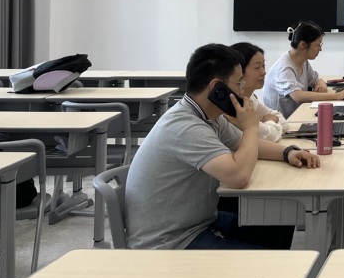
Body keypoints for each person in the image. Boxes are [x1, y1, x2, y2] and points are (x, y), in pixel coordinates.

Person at [124, 43, 321, 250]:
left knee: (279, 220)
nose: (242, 89)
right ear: (217, 88)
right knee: (269, 256)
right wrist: (251, 127)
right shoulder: (185, 126)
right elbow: (238, 177)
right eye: (239, 83)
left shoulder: (209, 116)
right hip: (172, 241)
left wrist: (288, 152)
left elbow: (243, 143)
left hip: (200, 222)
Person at [261, 20, 344, 119]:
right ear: (303, 44)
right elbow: (298, 96)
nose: (320, 49)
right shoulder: (284, 68)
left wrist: (321, 86)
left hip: (297, 115)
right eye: (318, 44)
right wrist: (337, 95)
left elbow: (317, 80)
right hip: (282, 123)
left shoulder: (303, 61)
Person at [230, 42, 284, 142]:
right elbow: (269, 137)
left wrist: (269, 124)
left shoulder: (250, 98)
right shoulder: (234, 105)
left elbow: (280, 119)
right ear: (239, 71)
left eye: (263, 66)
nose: (263, 72)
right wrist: (271, 122)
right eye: (257, 68)